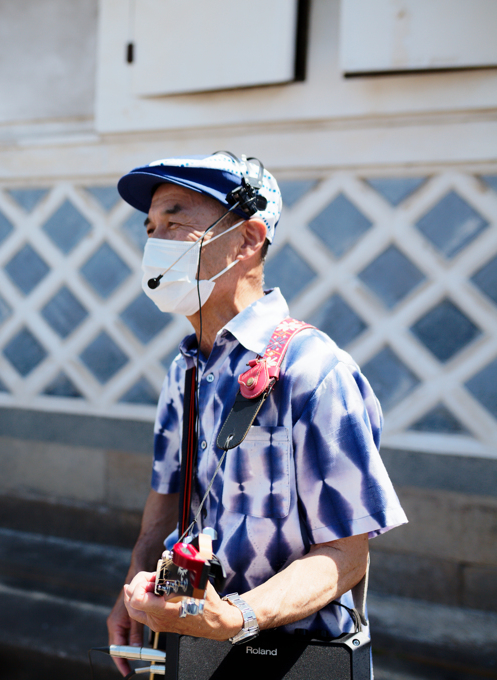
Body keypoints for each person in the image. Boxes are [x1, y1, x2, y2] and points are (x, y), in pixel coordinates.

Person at [105, 152, 407, 676]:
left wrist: (236, 617)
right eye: (151, 228)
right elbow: (169, 499)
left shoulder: (314, 369)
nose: (156, 242)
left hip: (295, 659)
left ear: (247, 240)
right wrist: (134, 587)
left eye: (176, 221)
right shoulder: (186, 369)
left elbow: (345, 554)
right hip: (191, 649)